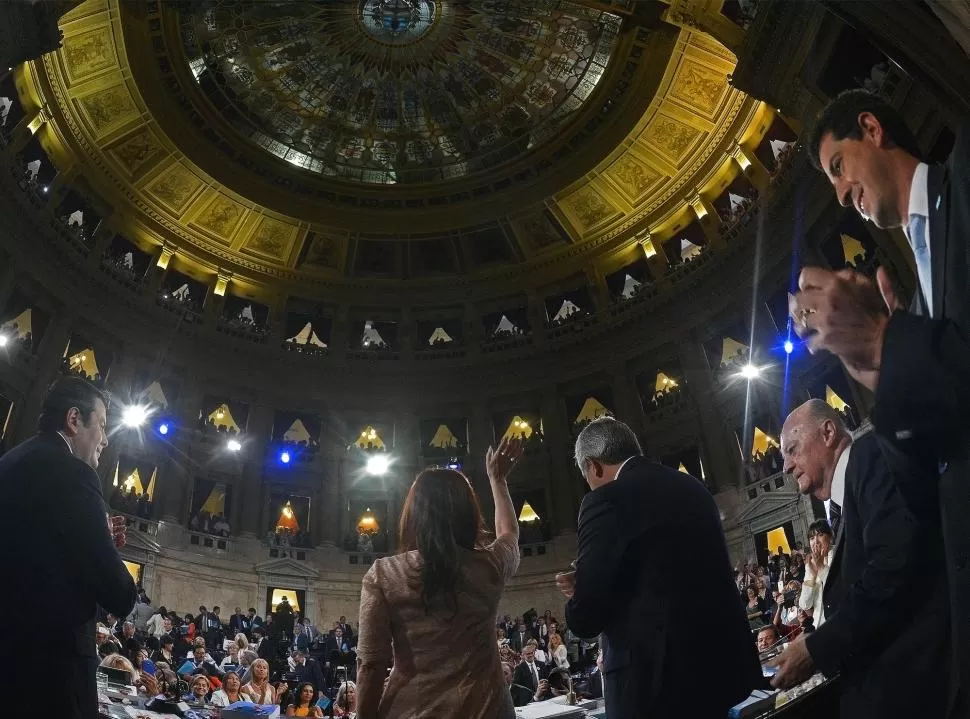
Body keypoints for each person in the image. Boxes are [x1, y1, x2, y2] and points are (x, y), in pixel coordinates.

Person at [795, 88, 970, 710]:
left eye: (838, 167)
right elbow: (933, 464)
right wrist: (879, 366)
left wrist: (884, 339)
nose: (842, 196)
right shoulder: (916, 288)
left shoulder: (964, 182)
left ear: (870, 128)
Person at [556, 417, 761, 719]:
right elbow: (662, 576)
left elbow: (586, 618)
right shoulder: (693, 487)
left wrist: (580, 589)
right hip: (720, 674)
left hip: (652, 690)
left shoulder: (604, 501)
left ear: (593, 466)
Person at [767, 399, 949, 717]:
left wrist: (816, 648)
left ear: (827, 432)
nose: (786, 466)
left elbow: (893, 568)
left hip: (916, 693)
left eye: (792, 449)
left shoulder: (870, 457)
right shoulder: (847, 497)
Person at [355, 435, 525, 718]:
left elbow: (371, 667)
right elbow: (509, 534)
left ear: (414, 515)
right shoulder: (490, 564)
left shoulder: (384, 575)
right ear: (468, 513)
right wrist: (498, 480)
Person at [0, 377, 137, 718]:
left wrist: (91, 530)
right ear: (75, 420)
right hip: (51, 677)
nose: (105, 440)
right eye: (102, 426)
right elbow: (119, 594)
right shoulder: (75, 475)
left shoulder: (12, 461)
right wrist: (103, 542)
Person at [798, 520, 835, 626]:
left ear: (830, 536)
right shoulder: (809, 565)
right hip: (820, 624)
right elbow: (805, 604)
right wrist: (812, 576)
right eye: (812, 538)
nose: (816, 541)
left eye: (820, 535)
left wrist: (821, 567)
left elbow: (836, 588)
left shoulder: (840, 553)